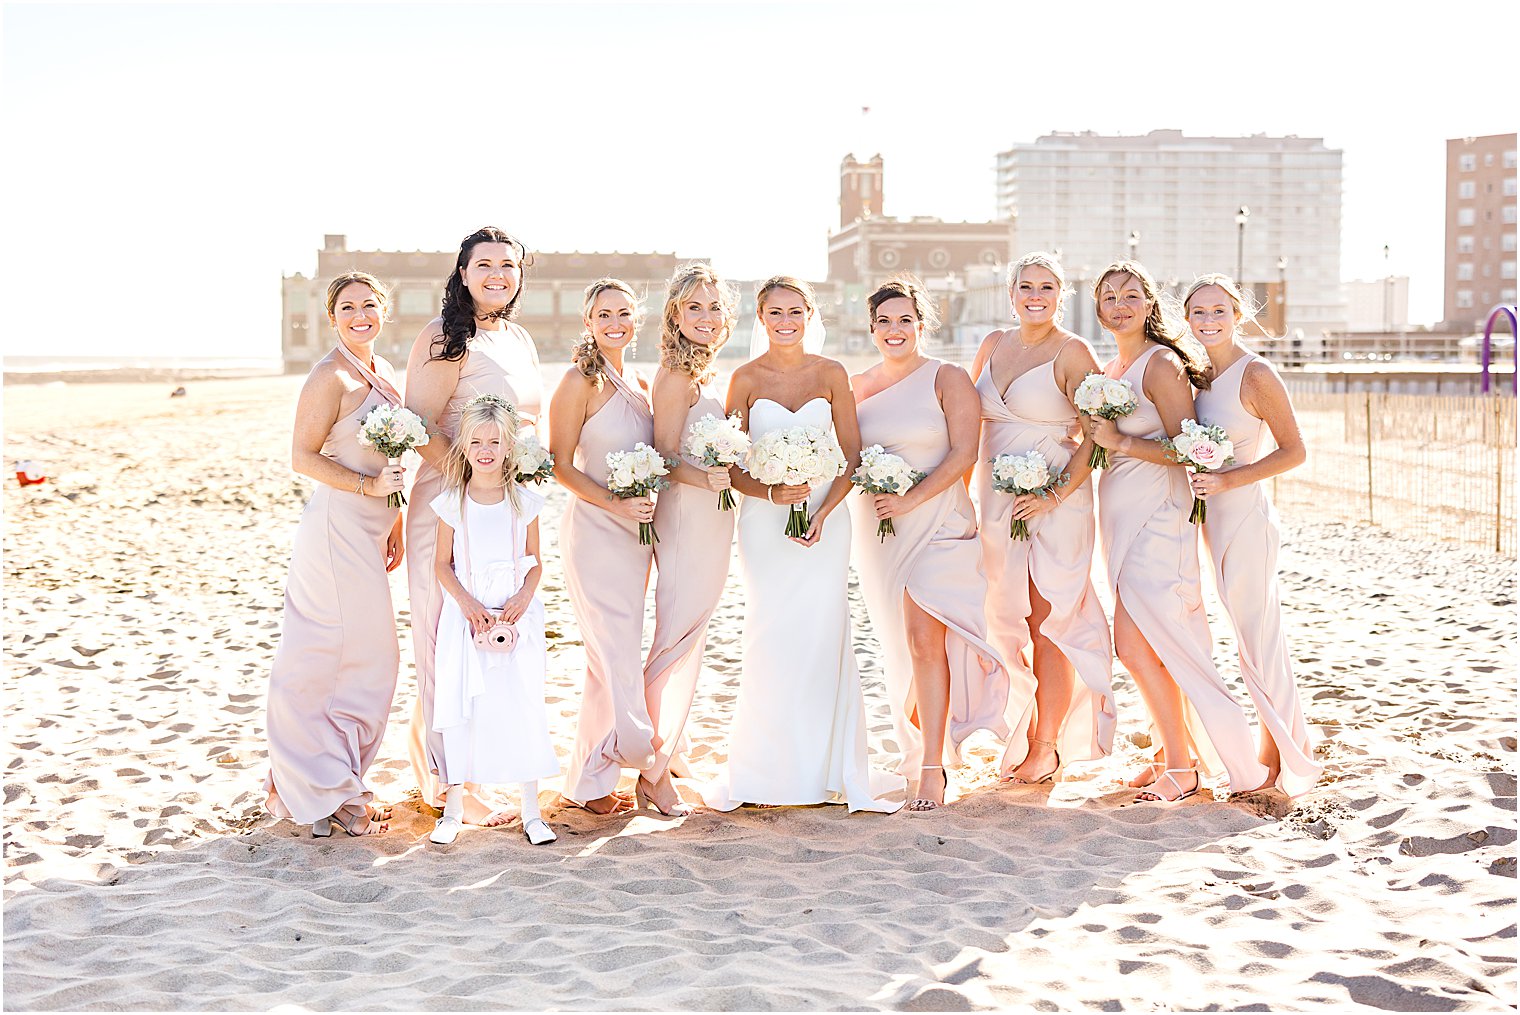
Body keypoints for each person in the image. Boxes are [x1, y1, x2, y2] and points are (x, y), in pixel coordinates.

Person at [699, 276, 904, 813]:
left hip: (826, 526)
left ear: (809, 314)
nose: (785, 321)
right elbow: (729, 462)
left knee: (822, 631)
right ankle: (767, 770)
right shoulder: (743, 378)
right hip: (764, 525)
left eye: (795, 311)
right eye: (774, 312)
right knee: (770, 634)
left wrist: (823, 511)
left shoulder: (832, 373)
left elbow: (852, 456)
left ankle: (825, 769)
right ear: (760, 318)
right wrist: (770, 489)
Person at [1083, 261, 1270, 803]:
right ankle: (1171, 754)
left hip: (1159, 515)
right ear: (1098, 307)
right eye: (1110, 296)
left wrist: (1122, 445)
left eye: (1132, 295)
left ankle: (1185, 766)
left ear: (1150, 305)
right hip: (1119, 512)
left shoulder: (1160, 363)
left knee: (1151, 644)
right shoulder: (1115, 367)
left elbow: (1189, 449)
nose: (1120, 304)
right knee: (1139, 645)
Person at [850, 275, 1010, 812]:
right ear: (871, 328)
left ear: (921, 323)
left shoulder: (947, 378)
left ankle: (933, 764)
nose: (894, 330)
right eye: (884, 321)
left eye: (905, 320)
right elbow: (847, 461)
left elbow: (964, 453)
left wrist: (912, 498)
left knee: (926, 641)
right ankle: (917, 743)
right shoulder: (857, 386)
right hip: (881, 532)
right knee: (899, 646)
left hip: (940, 523)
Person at [404, 227, 543, 824]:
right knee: (445, 641)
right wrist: (469, 483)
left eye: (507, 266)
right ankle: (449, 781)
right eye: (483, 265)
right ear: (462, 273)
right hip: (451, 503)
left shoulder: (518, 338)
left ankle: (488, 766)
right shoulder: (443, 338)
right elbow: (419, 424)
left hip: (506, 510)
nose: (496, 275)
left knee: (498, 649)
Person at [264, 271, 406, 837]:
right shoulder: (330, 376)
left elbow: (390, 458)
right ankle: (321, 784)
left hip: (373, 530)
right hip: (335, 530)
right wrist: (369, 490)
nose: (360, 315)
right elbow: (302, 458)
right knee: (327, 655)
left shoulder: (385, 372)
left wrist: (392, 514)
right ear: (332, 317)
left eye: (370, 304)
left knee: (368, 661)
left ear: (383, 311)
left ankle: (339, 776)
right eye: (348, 307)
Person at [968, 252, 1116, 786]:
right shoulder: (991, 345)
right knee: (1004, 616)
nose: (1036, 295)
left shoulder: (1073, 352)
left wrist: (1053, 495)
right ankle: (1026, 727)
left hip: (1054, 503)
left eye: (1047, 287)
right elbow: (966, 424)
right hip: (996, 501)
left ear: (1061, 295)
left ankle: (1048, 744)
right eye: (1026, 286)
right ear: (1011, 293)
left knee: (1047, 620)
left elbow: (1099, 434)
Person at [1184, 274, 1321, 797]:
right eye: (1198, 312)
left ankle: (1278, 757)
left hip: (1245, 519)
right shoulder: (1198, 376)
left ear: (1237, 314)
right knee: (1247, 637)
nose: (1209, 320)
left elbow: (1295, 450)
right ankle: (1281, 746)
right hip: (1210, 522)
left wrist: (1226, 480)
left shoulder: (1256, 373)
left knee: (1259, 638)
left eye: (1218, 311)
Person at [426, 394, 558, 846]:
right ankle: (454, 808)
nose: (486, 451)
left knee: (521, 703)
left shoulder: (524, 501)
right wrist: (466, 604)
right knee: (465, 709)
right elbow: (442, 565)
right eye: (477, 442)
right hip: (467, 619)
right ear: (464, 446)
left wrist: (523, 596)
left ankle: (531, 809)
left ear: (509, 447)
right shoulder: (452, 503)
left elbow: (536, 561)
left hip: (517, 618)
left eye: (495, 442)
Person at [553, 279, 657, 814]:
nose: (614, 322)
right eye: (603, 314)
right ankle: (640, 752)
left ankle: (589, 783)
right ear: (588, 322)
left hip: (636, 536)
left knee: (606, 657)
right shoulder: (580, 381)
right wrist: (615, 505)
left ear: (634, 321)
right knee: (615, 649)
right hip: (595, 531)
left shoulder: (641, 379)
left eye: (623, 313)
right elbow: (560, 464)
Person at [640, 264, 740, 816]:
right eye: (693, 307)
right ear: (675, 315)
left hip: (714, 516)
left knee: (692, 631)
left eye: (713, 308)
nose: (705, 317)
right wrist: (709, 477)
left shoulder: (708, 373)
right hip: (685, 517)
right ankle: (650, 771)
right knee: (676, 633)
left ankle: (667, 743)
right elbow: (663, 457)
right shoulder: (675, 376)